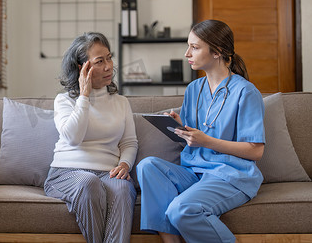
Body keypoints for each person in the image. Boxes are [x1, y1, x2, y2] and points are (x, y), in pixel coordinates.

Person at [137, 19, 265, 243]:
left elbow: (255, 151)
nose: (187, 53)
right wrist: (180, 127)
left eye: (194, 47)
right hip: (194, 172)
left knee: (181, 209)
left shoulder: (246, 92)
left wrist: (206, 141)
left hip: (230, 175)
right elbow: (194, 138)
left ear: (217, 52)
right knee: (147, 165)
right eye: (188, 46)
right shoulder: (194, 89)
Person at [44, 32, 138, 243]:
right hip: (67, 173)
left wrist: (124, 164)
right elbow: (73, 138)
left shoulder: (121, 102)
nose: (108, 66)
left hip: (107, 173)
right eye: (99, 61)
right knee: (89, 182)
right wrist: (84, 96)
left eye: (109, 57)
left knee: (123, 188)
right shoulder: (64, 100)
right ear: (82, 68)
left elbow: (129, 142)